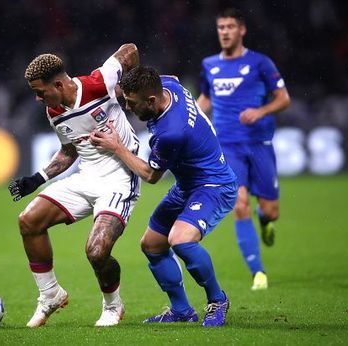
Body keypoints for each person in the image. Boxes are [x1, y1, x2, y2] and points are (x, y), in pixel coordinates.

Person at [90, 66, 238, 327]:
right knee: (152, 245)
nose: (127, 107)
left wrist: (116, 147)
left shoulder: (171, 133)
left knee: (180, 240)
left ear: (151, 100)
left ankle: (218, 300)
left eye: (132, 103)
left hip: (213, 185)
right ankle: (182, 311)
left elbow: (150, 175)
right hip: (187, 185)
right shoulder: (167, 85)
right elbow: (174, 78)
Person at [8, 43, 141, 327]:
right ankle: (50, 295)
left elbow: (129, 50)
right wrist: (38, 179)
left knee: (96, 251)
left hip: (119, 178)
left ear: (58, 84)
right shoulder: (54, 110)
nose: (37, 99)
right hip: (86, 177)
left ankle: (113, 306)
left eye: (40, 92)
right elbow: (69, 151)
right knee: (29, 221)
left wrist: (132, 90)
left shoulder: (99, 82)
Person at [197, 8, 291, 290]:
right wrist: (190, 121)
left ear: (242, 30)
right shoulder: (209, 65)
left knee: (270, 209)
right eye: (220, 27)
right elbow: (205, 98)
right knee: (239, 205)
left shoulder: (260, 63)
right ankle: (258, 273)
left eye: (229, 27)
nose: (224, 32)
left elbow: (284, 98)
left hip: (259, 144)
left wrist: (261, 111)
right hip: (227, 146)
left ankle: (266, 220)